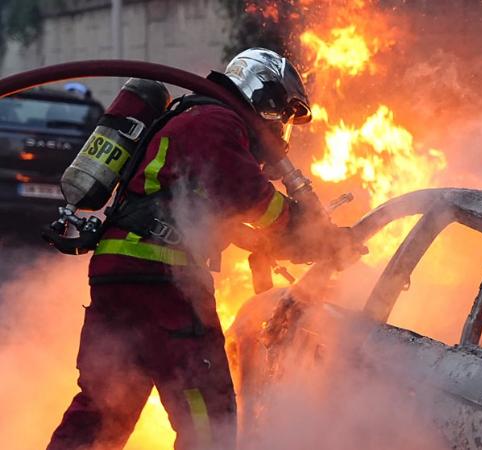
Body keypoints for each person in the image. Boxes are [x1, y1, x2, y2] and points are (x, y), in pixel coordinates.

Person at [48, 48, 342, 450]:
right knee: (208, 414)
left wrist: (269, 241)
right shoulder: (217, 120)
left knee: (106, 408)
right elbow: (248, 195)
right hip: (163, 277)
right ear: (265, 97)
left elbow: (206, 208)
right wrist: (310, 232)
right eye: (284, 115)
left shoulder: (192, 117)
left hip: (122, 270)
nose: (283, 129)